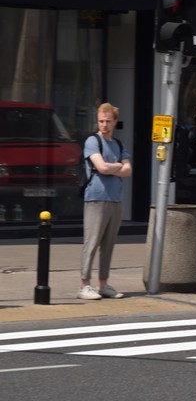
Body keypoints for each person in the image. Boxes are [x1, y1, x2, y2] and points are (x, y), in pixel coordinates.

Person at [77, 102, 132, 300]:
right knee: (91, 242)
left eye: (108, 121)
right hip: (96, 197)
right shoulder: (92, 142)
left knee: (109, 244)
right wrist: (117, 166)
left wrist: (113, 167)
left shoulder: (118, 144)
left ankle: (103, 284)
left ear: (115, 122)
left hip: (115, 198)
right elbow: (101, 168)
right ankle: (84, 285)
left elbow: (129, 170)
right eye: (101, 121)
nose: (104, 125)